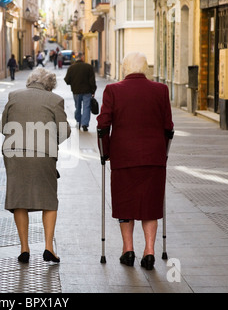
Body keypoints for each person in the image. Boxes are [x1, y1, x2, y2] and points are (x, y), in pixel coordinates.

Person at [96, 52, 174, 270]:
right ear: (146, 69)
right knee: (150, 205)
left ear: (124, 68)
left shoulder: (113, 90)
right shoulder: (161, 90)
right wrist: (163, 153)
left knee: (125, 205)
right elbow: (168, 126)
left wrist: (106, 152)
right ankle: (149, 251)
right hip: (154, 158)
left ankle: (127, 250)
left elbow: (103, 124)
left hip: (124, 158)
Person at [1, 68, 71, 264]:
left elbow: (2, 127)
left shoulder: (13, 96)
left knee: (19, 199)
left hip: (14, 154)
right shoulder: (55, 100)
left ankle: (24, 249)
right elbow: (64, 132)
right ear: (49, 86)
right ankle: (48, 247)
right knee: (48, 200)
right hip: (43, 154)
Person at [64, 52, 97, 131]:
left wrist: (73, 83)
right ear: (82, 58)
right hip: (87, 91)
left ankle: (78, 122)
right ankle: (85, 124)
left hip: (76, 91)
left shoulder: (71, 68)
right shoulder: (88, 67)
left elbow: (67, 80)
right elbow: (92, 81)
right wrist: (93, 90)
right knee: (87, 107)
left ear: (76, 59)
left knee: (77, 107)